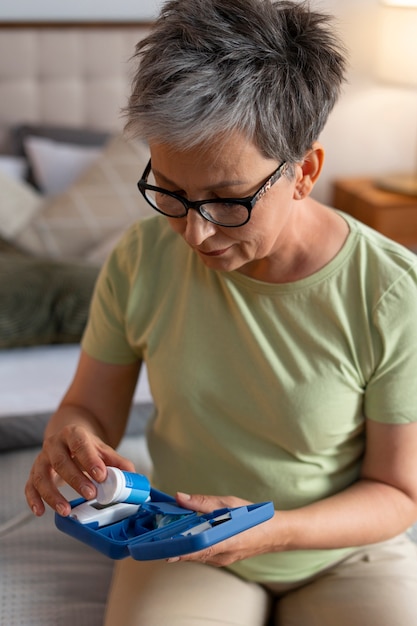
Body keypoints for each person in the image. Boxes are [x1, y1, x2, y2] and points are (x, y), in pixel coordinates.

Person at [26, 0, 417, 624]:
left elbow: (398, 493)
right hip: (181, 539)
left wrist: (274, 531)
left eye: (227, 201)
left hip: (344, 553)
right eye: (172, 193)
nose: (195, 234)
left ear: (304, 170)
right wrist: (67, 438)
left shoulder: (391, 294)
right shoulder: (140, 258)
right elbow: (90, 409)